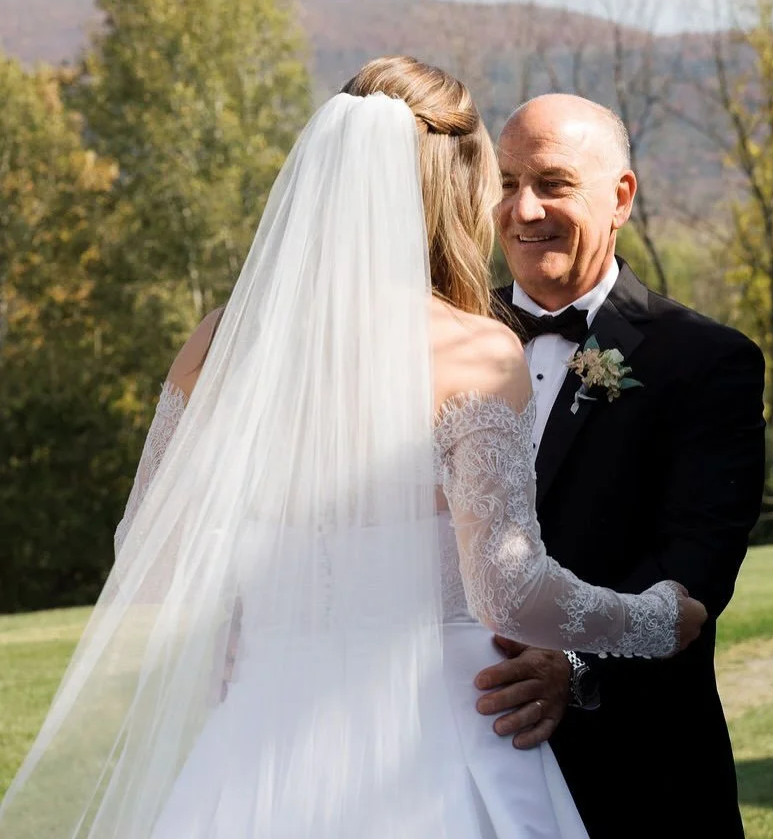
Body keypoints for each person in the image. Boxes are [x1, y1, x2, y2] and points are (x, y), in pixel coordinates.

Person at [0, 58, 705, 839]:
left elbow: (145, 549)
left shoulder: (220, 344)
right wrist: (654, 622)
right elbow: (508, 590)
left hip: (256, 741)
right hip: (440, 741)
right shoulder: (474, 350)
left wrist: (229, 619)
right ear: (453, 182)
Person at [477, 94, 766, 838]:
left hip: (637, 772)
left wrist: (572, 669)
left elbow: (696, 567)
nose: (523, 208)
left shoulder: (703, 361)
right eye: (506, 182)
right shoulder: (442, 343)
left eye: (553, 182)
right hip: (461, 753)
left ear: (622, 197)